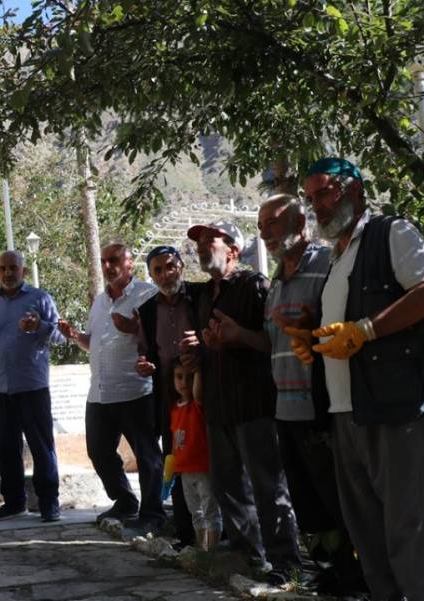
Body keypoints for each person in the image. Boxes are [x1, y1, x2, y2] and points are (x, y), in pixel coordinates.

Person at [288, 158, 424, 600]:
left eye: (324, 193)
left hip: (396, 409)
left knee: (411, 530)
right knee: (369, 538)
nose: (317, 206)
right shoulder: (337, 255)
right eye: (311, 198)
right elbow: (345, 321)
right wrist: (313, 333)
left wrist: (365, 330)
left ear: (354, 190)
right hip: (347, 414)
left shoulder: (390, 232)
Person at [180, 220, 301, 583]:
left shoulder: (255, 286)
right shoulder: (203, 297)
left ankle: (285, 563)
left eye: (210, 240)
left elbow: (273, 343)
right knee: (227, 486)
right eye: (199, 242)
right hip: (218, 407)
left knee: (267, 486)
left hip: (255, 405)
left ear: (233, 249)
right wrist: (194, 357)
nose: (201, 247)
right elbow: (209, 349)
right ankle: (248, 555)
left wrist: (238, 335)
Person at [255, 193, 365, 594]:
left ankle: (360, 575)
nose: (265, 232)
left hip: (324, 408)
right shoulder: (276, 280)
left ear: (300, 223)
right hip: (285, 408)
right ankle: (330, 572)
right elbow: (274, 343)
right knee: (309, 503)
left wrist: (311, 320)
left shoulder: (326, 264)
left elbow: (340, 322)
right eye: (261, 225)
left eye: (273, 223)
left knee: (340, 499)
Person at [58, 242, 163, 532]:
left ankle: (153, 513)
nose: (107, 266)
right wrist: (74, 336)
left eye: (114, 260)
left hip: (135, 390)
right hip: (100, 393)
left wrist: (135, 329)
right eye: (104, 261)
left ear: (130, 263)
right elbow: (93, 343)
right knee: (99, 451)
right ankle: (125, 500)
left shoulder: (146, 294)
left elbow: (158, 339)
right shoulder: (100, 301)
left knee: (147, 455)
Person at [0, 250, 62, 522]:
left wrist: (39, 326)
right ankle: (13, 502)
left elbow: (59, 337)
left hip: (32, 385)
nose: (8, 273)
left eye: (13, 268)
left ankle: (49, 503)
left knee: (41, 445)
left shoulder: (40, 299)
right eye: (3, 268)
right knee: (7, 447)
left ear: (23, 271)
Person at [135, 245, 203, 548]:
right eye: (158, 270)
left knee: (212, 460)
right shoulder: (148, 311)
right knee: (175, 461)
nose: (166, 274)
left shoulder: (201, 297)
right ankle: (186, 533)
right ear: (150, 276)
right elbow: (146, 352)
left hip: (206, 396)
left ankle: (220, 533)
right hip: (169, 400)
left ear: (182, 266)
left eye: (170, 266)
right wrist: (143, 365)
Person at [168, 360, 220, 551]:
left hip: (203, 467)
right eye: (179, 377)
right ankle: (202, 548)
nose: (184, 382)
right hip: (185, 470)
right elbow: (176, 439)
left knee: (210, 510)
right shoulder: (175, 408)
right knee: (195, 512)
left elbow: (197, 394)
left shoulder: (198, 405)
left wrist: (198, 369)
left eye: (189, 378)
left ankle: (213, 551)